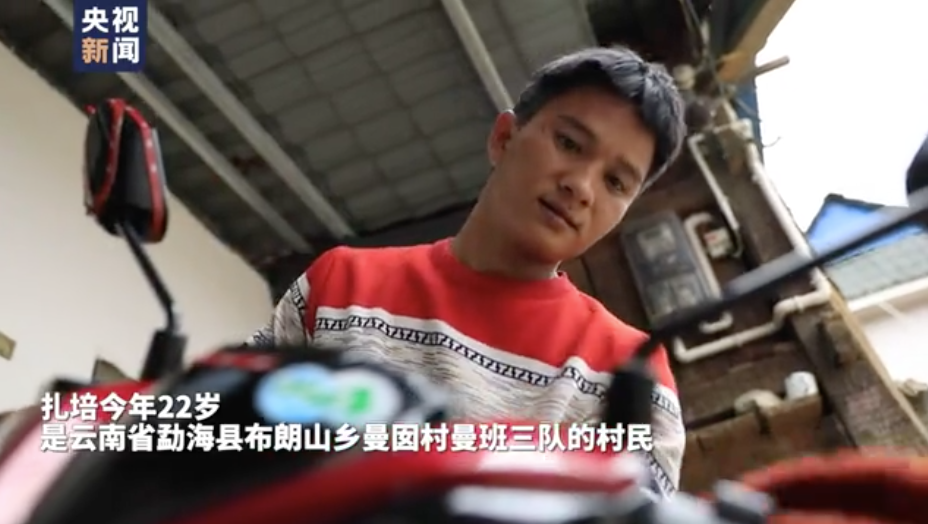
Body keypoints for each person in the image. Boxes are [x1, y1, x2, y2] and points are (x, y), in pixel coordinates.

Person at [247, 46, 688, 496]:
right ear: (504, 138)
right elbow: (231, 440)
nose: (581, 186)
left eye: (615, 182)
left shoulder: (629, 372)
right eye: (569, 144)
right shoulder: (341, 284)